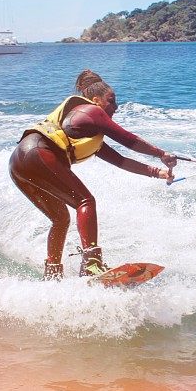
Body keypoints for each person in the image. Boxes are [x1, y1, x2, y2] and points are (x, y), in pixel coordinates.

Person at [9, 69, 177, 280]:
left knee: (60, 218)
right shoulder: (91, 111)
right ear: (96, 100)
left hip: (19, 164)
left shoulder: (85, 130)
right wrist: (161, 154)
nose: (115, 107)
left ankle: (52, 274)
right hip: (37, 153)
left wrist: (158, 173)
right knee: (85, 201)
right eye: (111, 100)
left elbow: (121, 161)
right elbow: (127, 139)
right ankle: (91, 262)